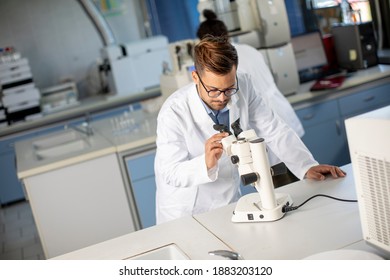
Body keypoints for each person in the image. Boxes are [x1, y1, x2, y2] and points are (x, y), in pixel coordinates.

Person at [154, 36, 346, 224]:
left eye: (229, 89)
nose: (222, 98)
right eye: (214, 90)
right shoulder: (173, 112)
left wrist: (306, 166)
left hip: (227, 201)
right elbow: (170, 172)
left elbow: (273, 129)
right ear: (195, 77)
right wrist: (205, 162)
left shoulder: (243, 85)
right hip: (185, 211)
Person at [197, 9, 304, 140]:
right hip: (281, 110)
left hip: (263, 120)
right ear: (227, 34)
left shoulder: (226, 63)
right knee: (297, 154)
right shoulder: (249, 49)